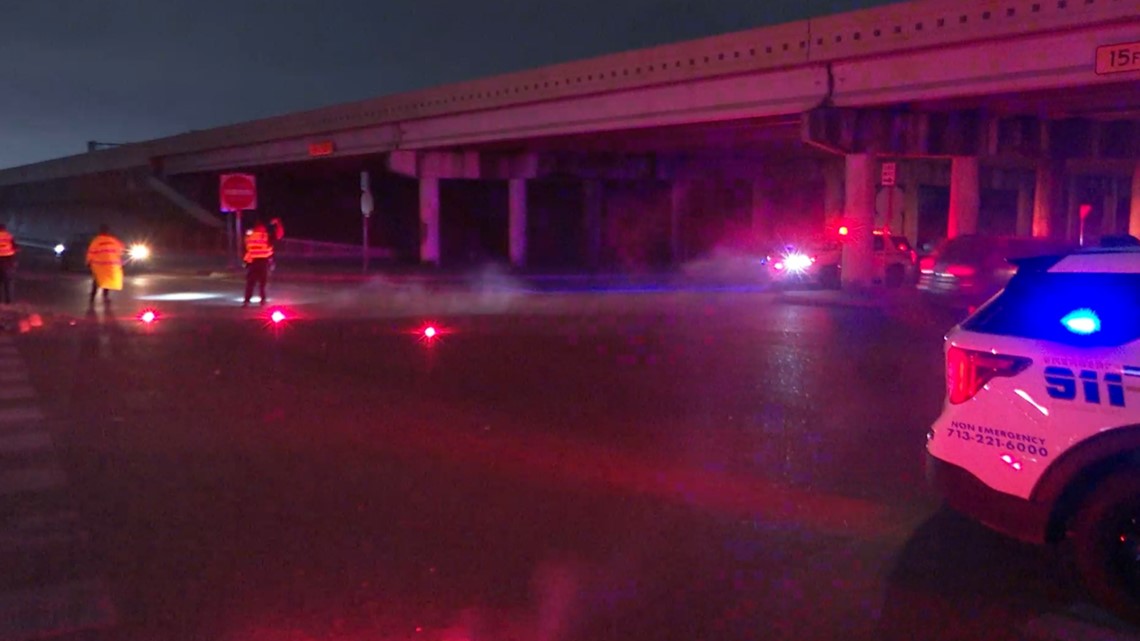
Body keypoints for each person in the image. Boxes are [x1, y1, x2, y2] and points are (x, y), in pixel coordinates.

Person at [86, 225, 125, 306]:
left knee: (97, 281)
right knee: (107, 281)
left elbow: (91, 252)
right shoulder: (113, 240)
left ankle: (93, 298)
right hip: (110, 265)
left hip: (99, 265)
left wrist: (88, 262)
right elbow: (121, 251)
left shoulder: (96, 241)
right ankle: (105, 297)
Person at [243, 219, 274, 306]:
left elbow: (247, 246)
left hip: (253, 262)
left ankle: (247, 301)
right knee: (261, 283)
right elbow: (269, 249)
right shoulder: (265, 236)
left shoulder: (250, 235)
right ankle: (261, 300)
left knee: (251, 283)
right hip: (261, 262)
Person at [0, 224, 18, 304]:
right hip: (8, 259)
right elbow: (16, 247)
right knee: (8, 280)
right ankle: (8, 300)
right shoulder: (9, 236)